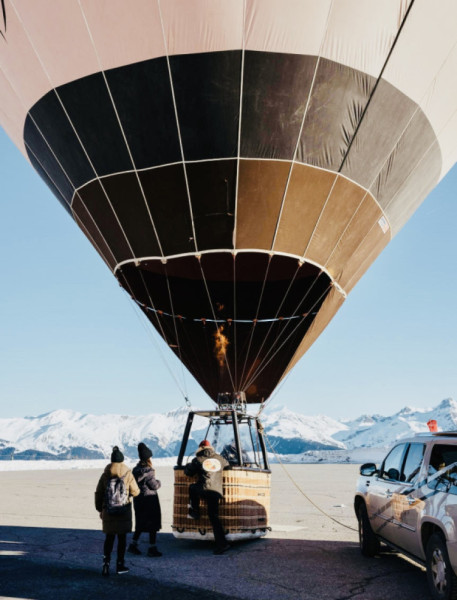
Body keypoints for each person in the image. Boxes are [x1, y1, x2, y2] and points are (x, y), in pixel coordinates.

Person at [95, 445, 140, 576]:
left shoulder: (105, 474)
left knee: (109, 538)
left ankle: (105, 565)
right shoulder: (128, 474)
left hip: (108, 511)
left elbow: (99, 493)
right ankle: (120, 565)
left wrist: (100, 509)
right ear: (122, 460)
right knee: (122, 539)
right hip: (123, 511)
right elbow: (136, 492)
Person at [184, 439, 230, 554]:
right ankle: (222, 544)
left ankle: (195, 510)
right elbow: (228, 464)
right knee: (213, 516)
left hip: (203, 489)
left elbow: (188, 472)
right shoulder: (220, 458)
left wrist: (189, 465)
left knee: (192, 488)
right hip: (216, 492)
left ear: (200, 449)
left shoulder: (198, 459)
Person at [128, 442, 162, 557]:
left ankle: (133, 545)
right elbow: (154, 486)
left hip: (139, 500)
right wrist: (159, 482)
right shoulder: (149, 472)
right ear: (148, 459)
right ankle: (152, 548)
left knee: (140, 523)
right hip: (150, 500)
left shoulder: (135, 470)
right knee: (153, 524)